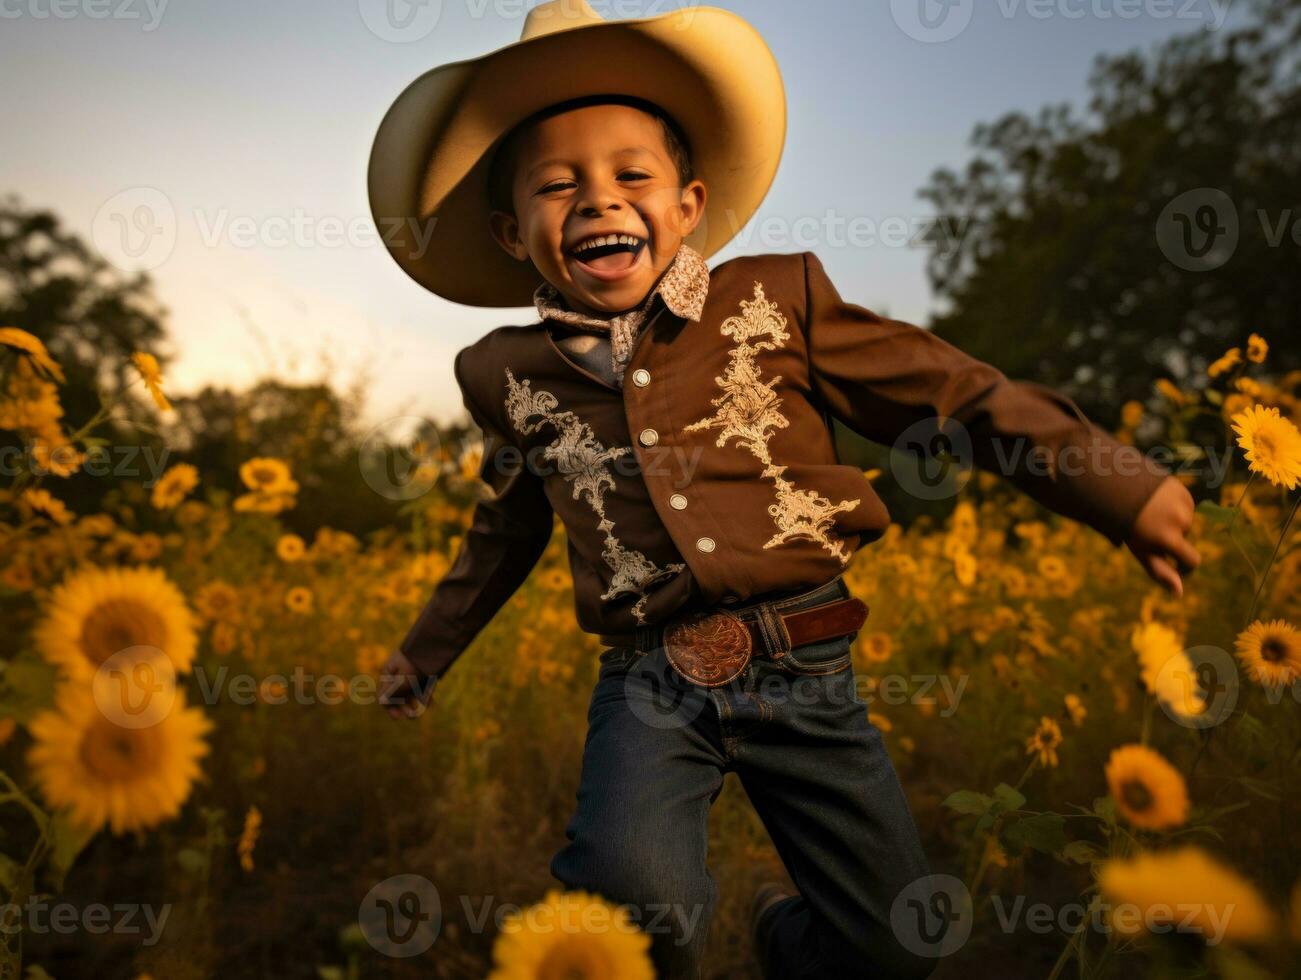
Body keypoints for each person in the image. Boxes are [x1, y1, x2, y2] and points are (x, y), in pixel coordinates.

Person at [368, 3, 1200, 976]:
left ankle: (783, 938)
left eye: (629, 176)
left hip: (804, 661)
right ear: (513, 233)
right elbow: (503, 530)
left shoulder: (777, 296)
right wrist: (426, 652)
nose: (597, 201)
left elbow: (946, 391)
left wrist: (1110, 480)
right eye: (558, 186)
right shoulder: (500, 373)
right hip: (645, 680)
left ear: (687, 204)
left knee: (892, 941)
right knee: (631, 903)